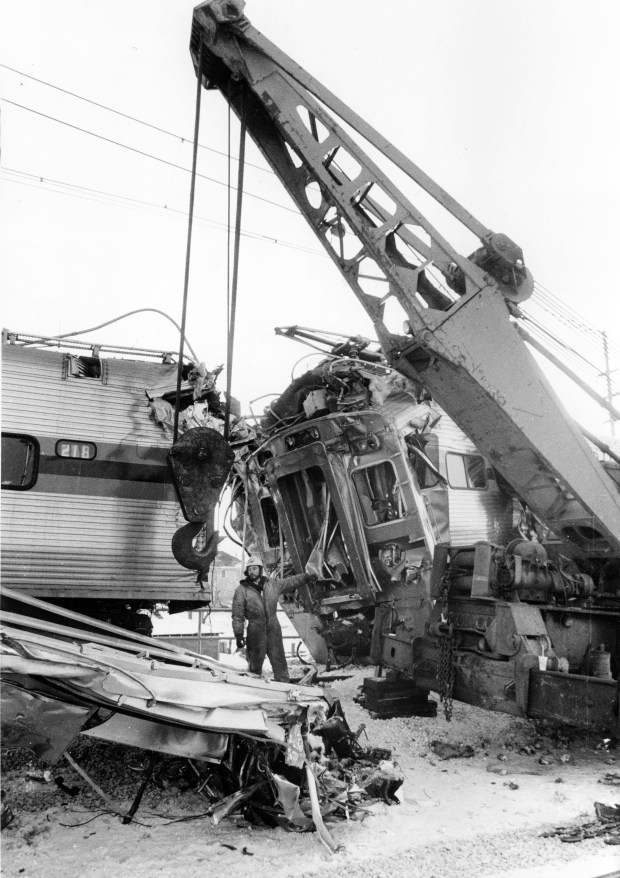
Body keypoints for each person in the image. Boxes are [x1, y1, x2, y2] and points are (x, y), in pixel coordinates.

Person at [232, 556, 316, 682]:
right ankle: (254, 689)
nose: (252, 572)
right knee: (254, 667)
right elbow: (237, 614)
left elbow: (290, 582)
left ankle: (284, 686)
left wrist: (306, 577)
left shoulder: (272, 584)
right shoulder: (241, 590)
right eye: (249, 569)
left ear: (260, 570)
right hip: (255, 632)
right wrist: (238, 634)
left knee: (279, 663)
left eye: (254, 568)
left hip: (274, 629)